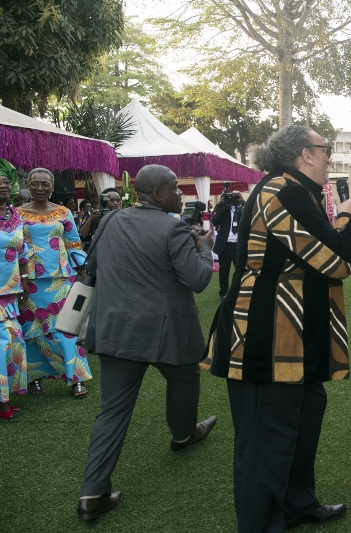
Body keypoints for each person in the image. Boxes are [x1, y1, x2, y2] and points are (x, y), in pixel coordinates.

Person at [203, 125, 351, 532]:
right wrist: (347, 217)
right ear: (305, 155)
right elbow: (337, 260)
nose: (328, 157)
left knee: (303, 418)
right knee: (264, 444)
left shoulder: (290, 189)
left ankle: (296, 503)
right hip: (263, 340)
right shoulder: (284, 192)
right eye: (325, 150)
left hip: (290, 337)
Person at [77, 164, 217, 521]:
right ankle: (184, 434)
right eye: (175, 189)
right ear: (157, 195)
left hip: (116, 331)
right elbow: (199, 280)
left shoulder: (110, 220)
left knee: (113, 412)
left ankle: (91, 495)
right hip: (167, 332)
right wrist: (204, 247)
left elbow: (92, 265)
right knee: (185, 382)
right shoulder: (173, 227)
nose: (180, 194)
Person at [18, 168, 91, 399]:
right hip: (29, 282)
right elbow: (13, 247)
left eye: (45, 184)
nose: (40, 189)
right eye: (35, 184)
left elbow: (73, 244)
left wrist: (82, 271)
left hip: (61, 280)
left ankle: (76, 379)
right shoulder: (16, 214)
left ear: (52, 187)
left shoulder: (63, 212)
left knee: (66, 329)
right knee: (32, 331)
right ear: (28, 186)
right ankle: (34, 380)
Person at [0, 175, 31, 419]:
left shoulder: (16, 215)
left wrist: (25, 281)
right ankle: (2, 404)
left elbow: (23, 252)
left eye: (5, 181)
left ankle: (6, 395)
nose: (3, 185)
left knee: (13, 344)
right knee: (2, 346)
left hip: (10, 293)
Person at [212, 190, 244, 299]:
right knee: (224, 271)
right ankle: (223, 292)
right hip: (225, 246)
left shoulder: (242, 209)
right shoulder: (223, 209)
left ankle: (240, 291)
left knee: (240, 270)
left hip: (237, 246)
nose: (234, 200)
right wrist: (223, 206)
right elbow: (215, 221)